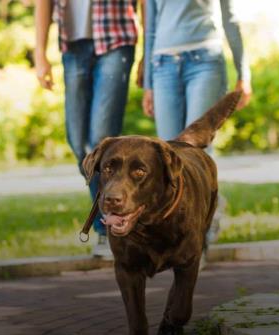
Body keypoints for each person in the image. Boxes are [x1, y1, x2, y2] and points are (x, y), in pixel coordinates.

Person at [140, 0, 252, 246]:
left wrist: (244, 73)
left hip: (205, 62)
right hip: (163, 66)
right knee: (168, 158)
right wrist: (148, 84)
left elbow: (229, 18)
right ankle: (199, 214)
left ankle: (198, 239)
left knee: (194, 151)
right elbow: (150, 28)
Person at [34, 0, 138, 257]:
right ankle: (124, 217)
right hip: (73, 45)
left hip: (116, 39)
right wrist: (39, 52)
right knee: (79, 144)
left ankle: (109, 231)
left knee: (101, 141)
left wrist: (149, 52)